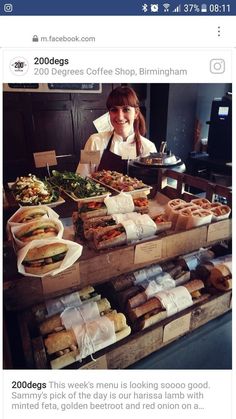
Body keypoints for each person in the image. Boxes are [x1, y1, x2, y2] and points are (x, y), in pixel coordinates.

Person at [77, 86, 157, 176]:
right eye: (114, 110)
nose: (120, 117)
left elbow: (152, 185)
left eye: (126, 109)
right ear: (109, 113)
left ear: (136, 113)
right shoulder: (95, 141)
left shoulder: (148, 148)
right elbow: (81, 177)